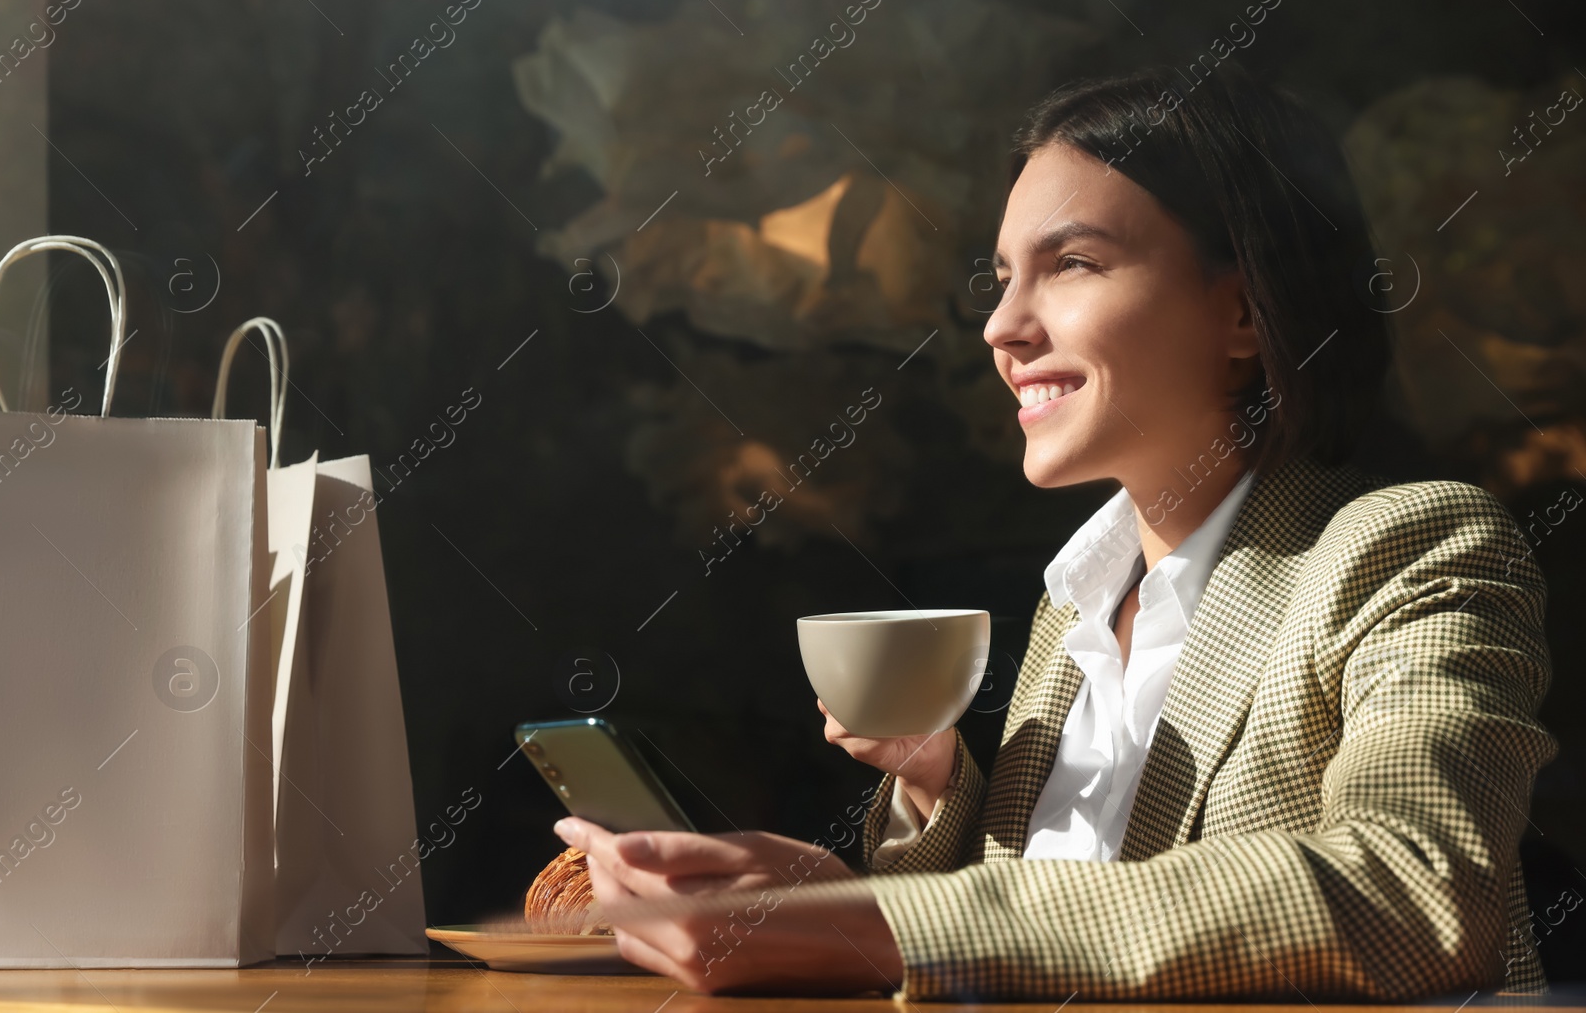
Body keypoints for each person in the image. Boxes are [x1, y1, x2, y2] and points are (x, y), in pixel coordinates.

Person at [552, 62, 1556, 1001]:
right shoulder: (1075, 597)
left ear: (1245, 310)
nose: (1001, 325)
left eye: (1070, 263)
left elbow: (1418, 887)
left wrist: (876, 922)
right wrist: (907, 821)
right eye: (1000, 277)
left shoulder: (1413, 544)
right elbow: (1061, 915)